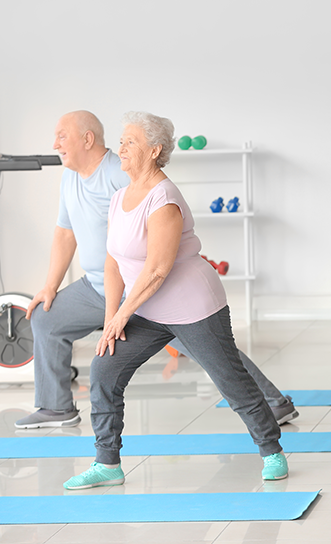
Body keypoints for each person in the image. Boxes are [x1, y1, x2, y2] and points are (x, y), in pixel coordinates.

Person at [16, 111, 297, 430]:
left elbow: (162, 233)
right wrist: (50, 286)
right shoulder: (70, 177)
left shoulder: (121, 173)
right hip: (97, 287)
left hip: (145, 291)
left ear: (87, 139)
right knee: (45, 317)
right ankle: (55, 407)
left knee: (212, 352)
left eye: (62, 136)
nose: (55, 144)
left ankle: (273, 402)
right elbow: (65, 232)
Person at [63, 112, 288, 489]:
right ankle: (107, 463)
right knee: (104, 370)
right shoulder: (120, 197)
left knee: (230, 379)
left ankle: (271, 450)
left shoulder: (165, 200)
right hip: (146, 308)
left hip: (192, 306)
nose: (120, 148)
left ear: (154, 150)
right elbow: (113, 260)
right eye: (121, 140)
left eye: (130, 142)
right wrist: (111, 318)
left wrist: (123, 315)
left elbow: (157, 269)